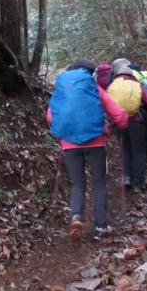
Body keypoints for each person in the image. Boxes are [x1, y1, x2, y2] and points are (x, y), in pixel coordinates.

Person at [47, 58, 128, 240]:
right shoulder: (93, 89)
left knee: (78, 183)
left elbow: (51, 117)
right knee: (99, 182)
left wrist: (64, 133)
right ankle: (101, 226)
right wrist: (121, 125)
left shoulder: (62, 90)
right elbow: (118, 113)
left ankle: (76, 216)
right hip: (95, 142)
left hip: (69, 144)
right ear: (89, 73)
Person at [109, 60, 147, 193]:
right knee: (139, 152)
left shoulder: (112, 86)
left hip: (118, 122)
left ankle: (127, 178)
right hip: (136, 122)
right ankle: (138, 184)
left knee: (126, 149)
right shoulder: (137, 84)